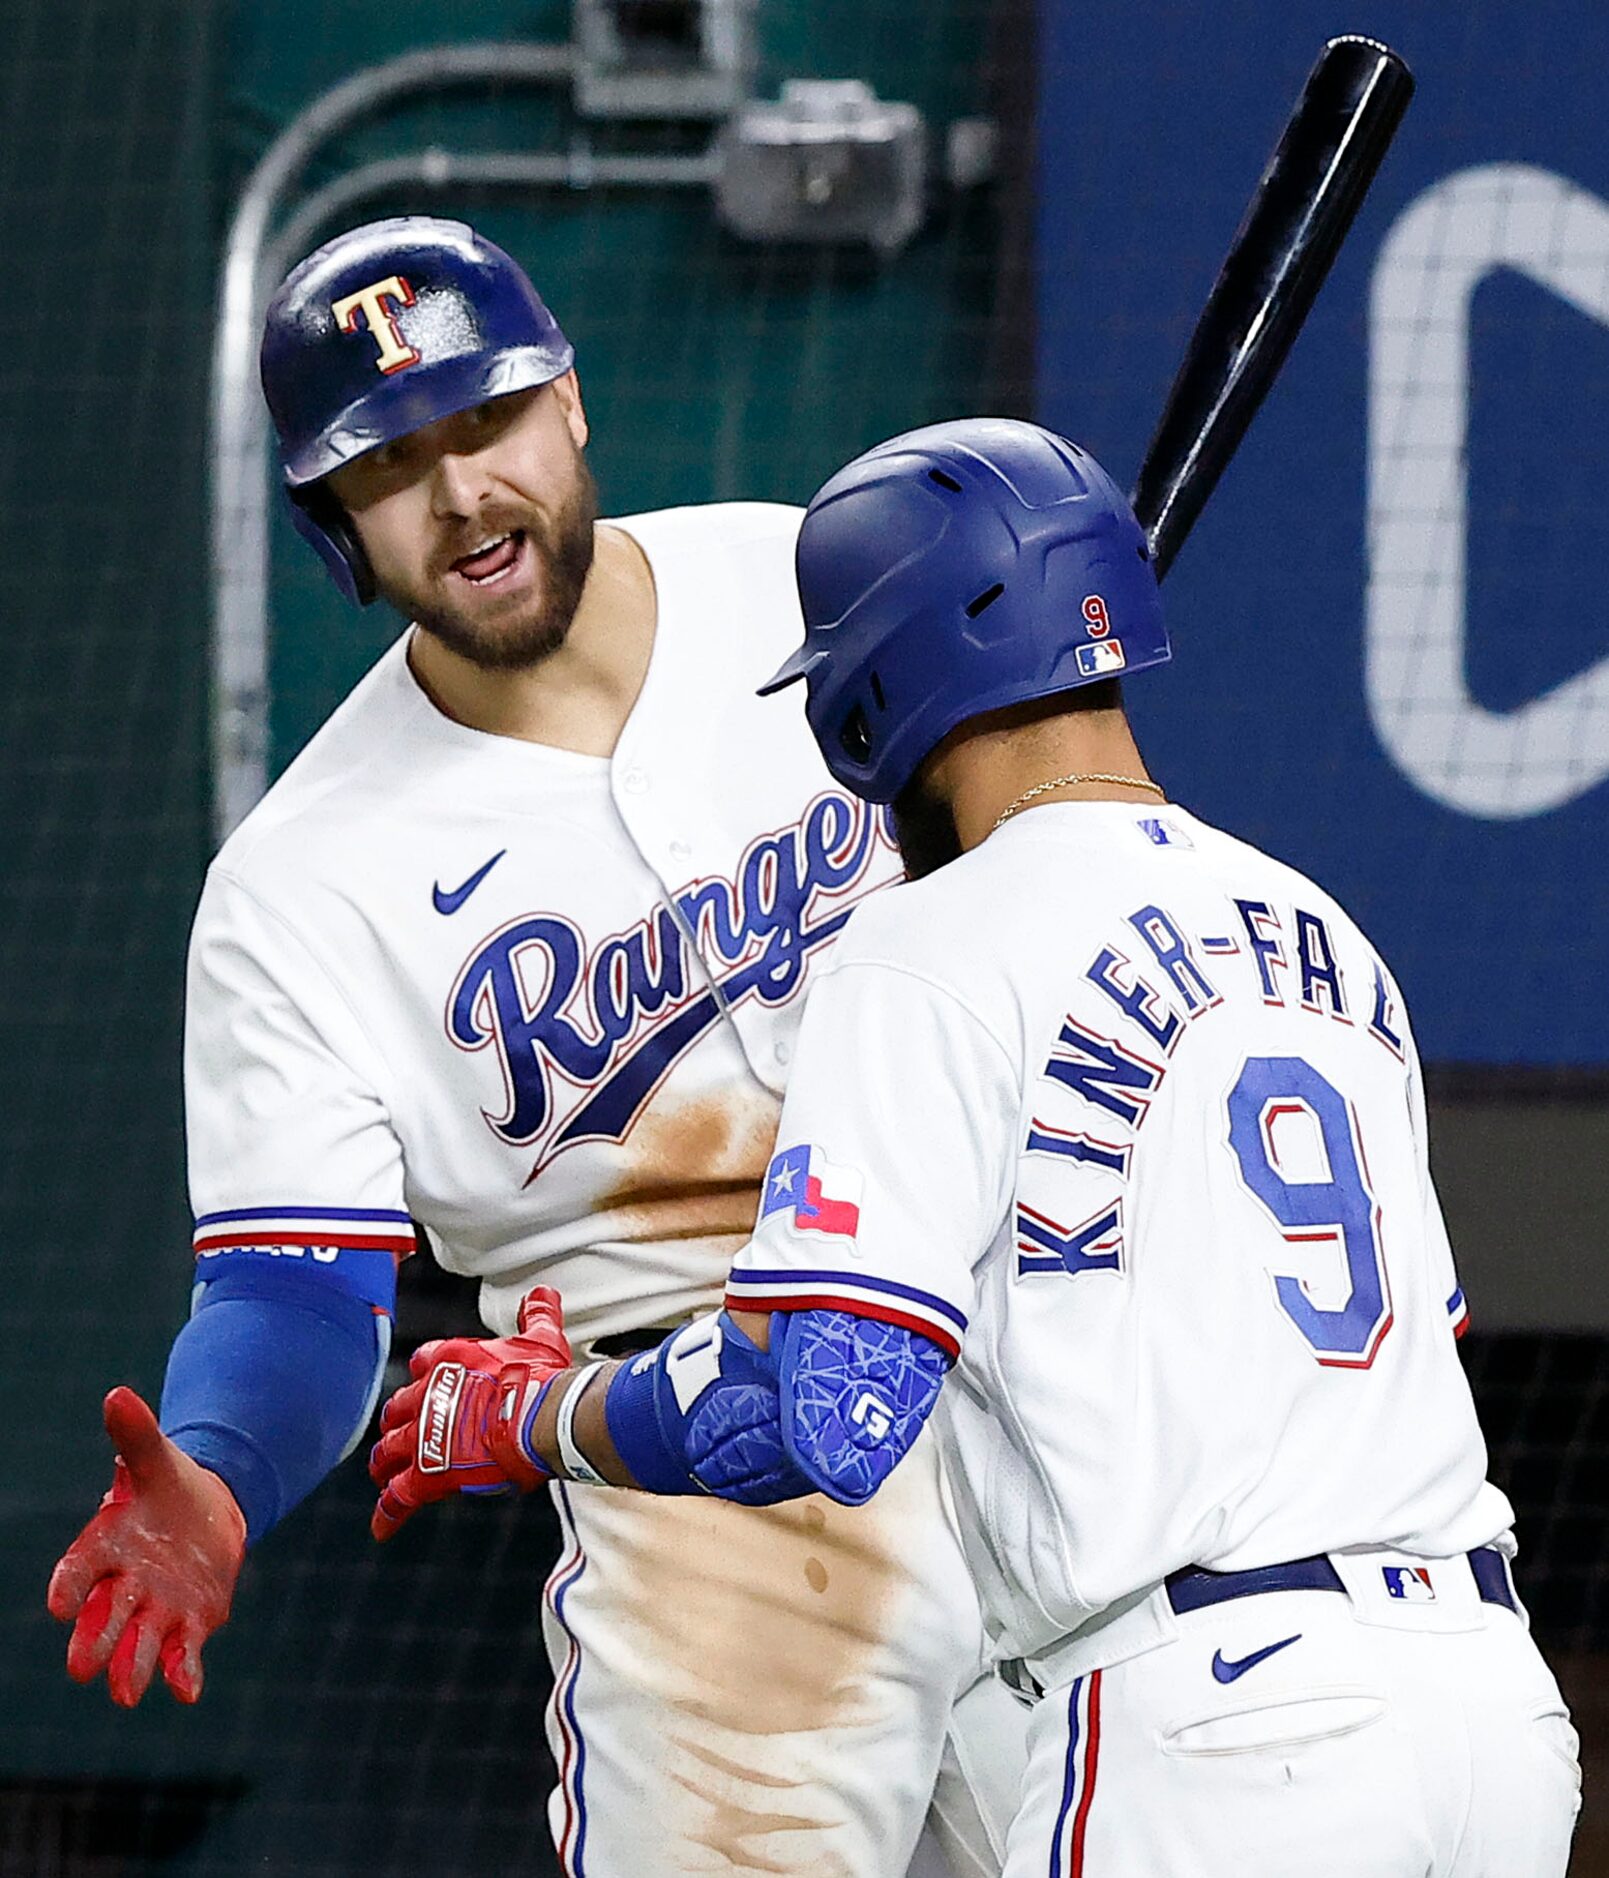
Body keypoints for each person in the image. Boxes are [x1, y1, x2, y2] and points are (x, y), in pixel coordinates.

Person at [375, 417, 1584, 1875]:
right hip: (1489, 1713)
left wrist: (534, 1417)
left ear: (873, 697)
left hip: (1219, 1728)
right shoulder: (1323, 930)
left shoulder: (926, 944)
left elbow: (821, 1415)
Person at [46, 219, 1027, 1878]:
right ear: (335, 526)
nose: (459, 494)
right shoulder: (298, 883)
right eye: (391, 465)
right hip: (694, 1474)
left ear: (566, 400)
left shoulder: (805, 581)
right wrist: (216, 1472)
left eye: (480, 422)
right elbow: (296, 1289)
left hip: (1013, 1368)